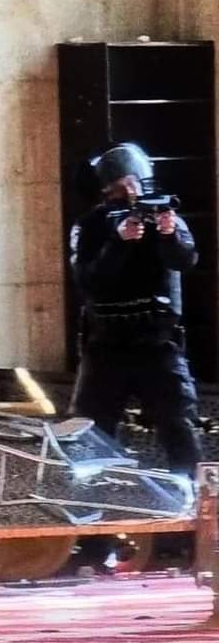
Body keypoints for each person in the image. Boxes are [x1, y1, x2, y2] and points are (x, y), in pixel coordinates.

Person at [69, 142, 202, 476]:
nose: (130, 194)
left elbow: (185, 260)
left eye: (134, 184)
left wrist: (169, 235)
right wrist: (118, 243)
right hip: (106, 344)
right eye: (120, 187)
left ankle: (190, 499)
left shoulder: (164, 217)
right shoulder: (91, 226)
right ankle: (89, 501)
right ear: (106, 190)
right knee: (89, 430)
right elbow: (88, 281)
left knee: (178, 423)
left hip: (157, 342)